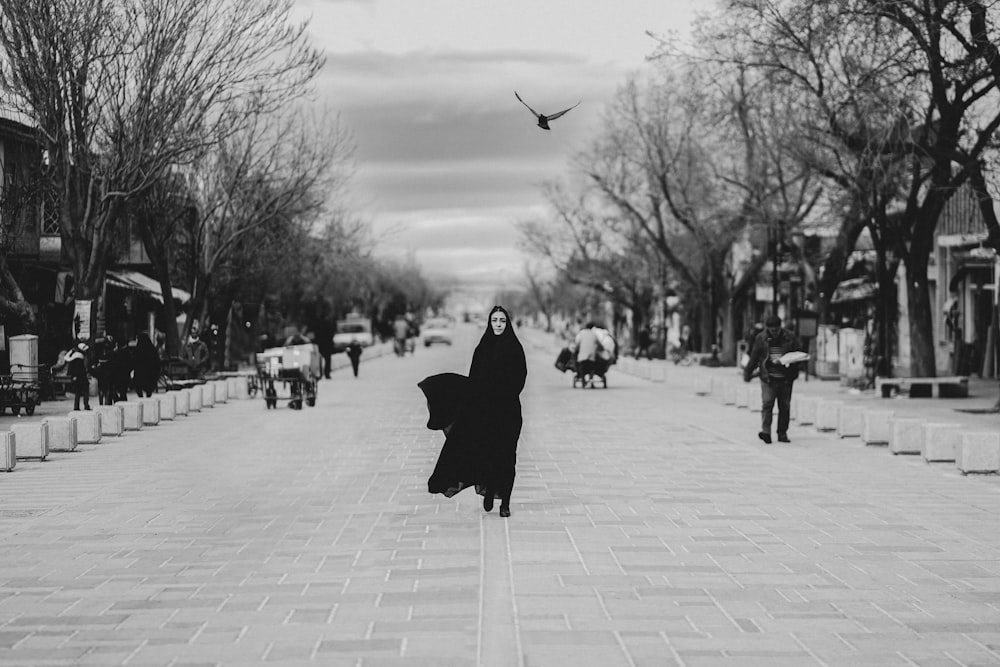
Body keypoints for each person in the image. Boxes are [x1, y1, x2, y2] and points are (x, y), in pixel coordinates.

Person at [421, 305, 527, 518]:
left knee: (508, 456)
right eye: (495, 320)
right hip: (487, 411)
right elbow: (474, 381)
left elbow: (520, 379)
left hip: (508, 411)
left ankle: (505, 502)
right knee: (488, 453)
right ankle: (488, 492)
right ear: (490, 323)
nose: (498, 324)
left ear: (507, 323)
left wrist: (502, 392)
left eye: (502, 321)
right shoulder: (483, 348)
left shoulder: (515, 348)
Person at [743, 314, 804, 444]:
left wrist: (791, 362)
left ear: (780, 327)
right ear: (767, 328)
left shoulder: (790, 337)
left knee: (784, 406)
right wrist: (747, 372)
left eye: (776, 330)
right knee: (767, 404)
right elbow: (754, 356)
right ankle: (766, 432)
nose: (774, 333)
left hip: (786, 378)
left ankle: (782, 433)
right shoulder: (761, 338)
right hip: (768, 377)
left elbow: (799, 353)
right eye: (772, 330)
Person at [53, 342, 91, 411]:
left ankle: (77, 406)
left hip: (77, 377)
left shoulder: (74, 357)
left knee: (78, 392)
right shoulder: (79, 357)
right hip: (81, 377)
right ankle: (86, 405)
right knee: (85, 391)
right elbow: (79, 369)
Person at [132, 333, 160, 398]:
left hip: (140, 375)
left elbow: (135, 361)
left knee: (137, 385)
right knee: (148, 387)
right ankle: (148, 396)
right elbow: (157, 362)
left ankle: (141, 397)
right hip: (150, 375)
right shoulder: (152, 349)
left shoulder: (138, 350)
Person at [574, 321, 600, 386]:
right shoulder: (594, 334)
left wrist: (575, 350)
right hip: (591, 357)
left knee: (581, 367)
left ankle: (583, 380)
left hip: (582, 356)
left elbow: (577, 344)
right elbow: (599, 344)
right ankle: (591, 379)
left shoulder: (581, 333)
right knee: (592, 367)